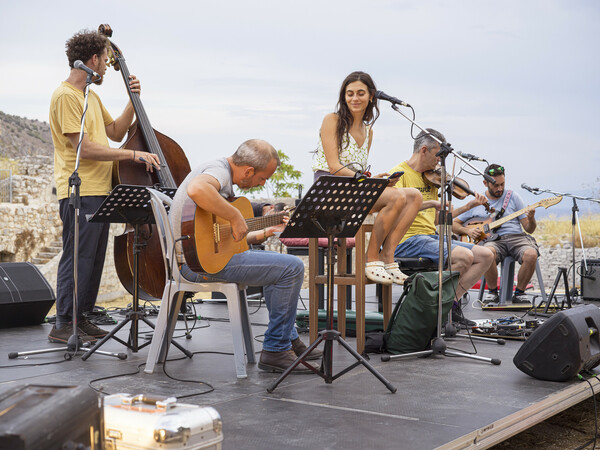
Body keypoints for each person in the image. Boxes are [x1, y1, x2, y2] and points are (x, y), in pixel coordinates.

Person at [49, 30, 161, 344]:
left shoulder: (91, 97)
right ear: (95, 59)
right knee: (78, 258)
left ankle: (80, 318)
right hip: (79, 190)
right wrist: (133, 153)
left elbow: (114, 131)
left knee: (93, 260)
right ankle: (63, 323)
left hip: (100, 189)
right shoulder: (66, 96)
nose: (106, 69)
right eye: (105, 61)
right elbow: (84, 148)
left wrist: (131, 100)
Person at [170, 139, 321, 373]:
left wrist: (261, 233)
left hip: (202, 259)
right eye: (262, 178)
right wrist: (234, 216)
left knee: (279, 268)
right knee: (291, 267)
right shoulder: (218, 170)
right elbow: (197, 189)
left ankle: (287, 340)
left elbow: (219, 240)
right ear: (249, 170)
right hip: (194, 266)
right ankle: (276, 349)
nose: (261, 184)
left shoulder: (221, 179)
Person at [312, 71, 422, 285]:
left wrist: (376, 180)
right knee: (396, 198)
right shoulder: (332, 120)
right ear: (343, 96)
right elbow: (334, 166)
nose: (354, 98)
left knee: (414, 196)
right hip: (329, 189)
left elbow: (358, 171)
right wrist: (370, 182)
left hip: (355, 188)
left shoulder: (368, 130)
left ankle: (388, 257)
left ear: (371, 96)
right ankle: (371, 260)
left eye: (360, 93)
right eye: (349, 93)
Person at [391, 129, 495, 320]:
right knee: (464, 256)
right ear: (424, 150)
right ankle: (432, 308)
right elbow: (395, 210)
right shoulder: (400, 174)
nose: (439, 162)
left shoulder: (430, 179)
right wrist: (431, 202)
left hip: (430, 237)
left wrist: (469, 206)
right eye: (438, 156)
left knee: (486, 255)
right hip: (407, 240)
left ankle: (449, 305)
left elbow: (438, 220)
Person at [453, 164, 539, 304]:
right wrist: (468, 231)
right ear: (485, 183)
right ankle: (492, 292)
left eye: (502, 184)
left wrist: (531, 218)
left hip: (516, 237)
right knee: (487, 253)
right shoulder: (477, 202)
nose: (499, 189)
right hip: (492, 241)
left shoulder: (514, 197)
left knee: (531, 254)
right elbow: (454, 225)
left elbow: (529, 229)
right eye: (495, 185)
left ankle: (520, 293)